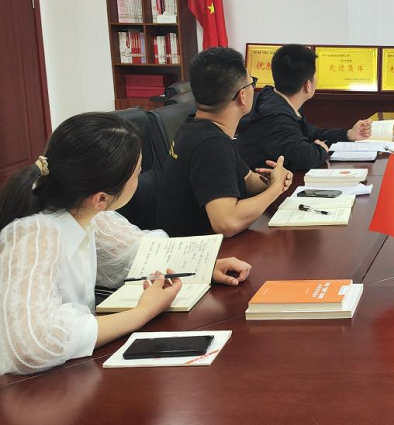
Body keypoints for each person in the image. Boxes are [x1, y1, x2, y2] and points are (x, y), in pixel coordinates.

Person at [0, 113, 252, 376]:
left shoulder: (87, 213)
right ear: (101, 198)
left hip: (71, 373)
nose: (140, 177)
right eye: (138, 172)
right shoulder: (33, 237)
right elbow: (32, 346)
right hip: (27, 389)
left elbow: (137, 251)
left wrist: (202, 267)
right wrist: (143, 312)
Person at [157, 47, 292, 238]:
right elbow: (227, 222)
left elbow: (247, 179)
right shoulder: (211, 144)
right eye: (252, 83)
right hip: (194, 250)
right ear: (242, 96)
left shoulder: (195, 127)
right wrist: (275, 189)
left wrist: (273, 180)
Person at [236, 44, 372, 171]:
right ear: (308, 85)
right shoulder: (276, 118)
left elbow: (312, 133)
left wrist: (348, 134)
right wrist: (320, 150)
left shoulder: (273, 98)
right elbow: (304, 157)